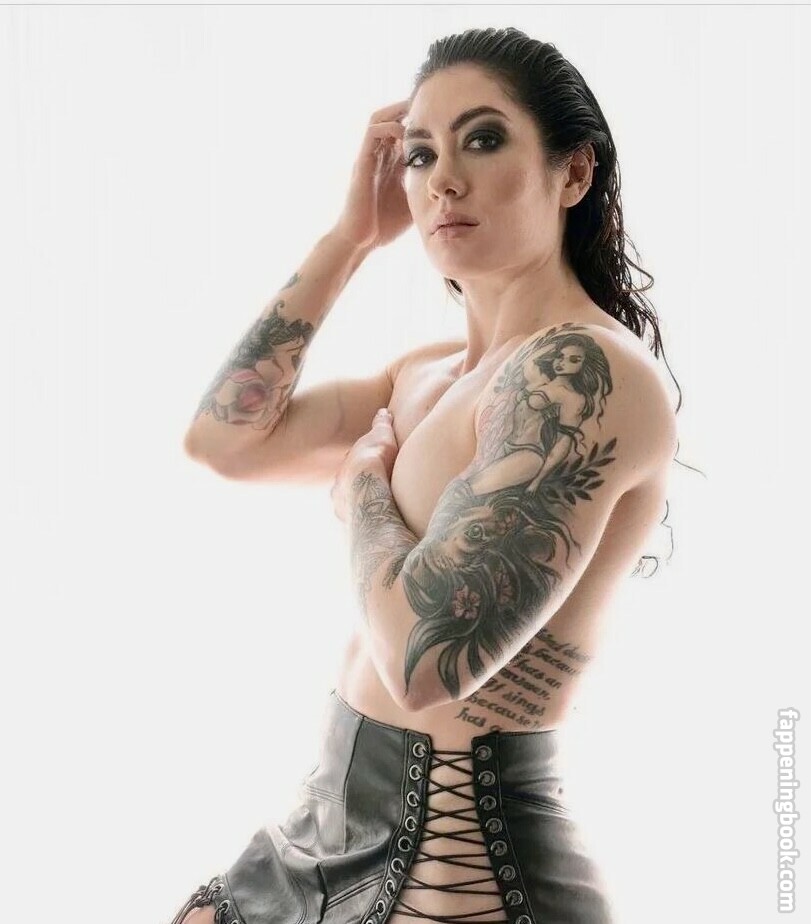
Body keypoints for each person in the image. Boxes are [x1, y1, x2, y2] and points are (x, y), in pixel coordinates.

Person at [172, 26, 681, 924]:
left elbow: (423, 661)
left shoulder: (581, 374)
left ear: (572, 172)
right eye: (419, 153)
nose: (442, 178)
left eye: (482, 139)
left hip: (461, 866)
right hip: (318, 827)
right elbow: (224, 441)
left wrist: (365, 492)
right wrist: (350, 236)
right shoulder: (424, 375)